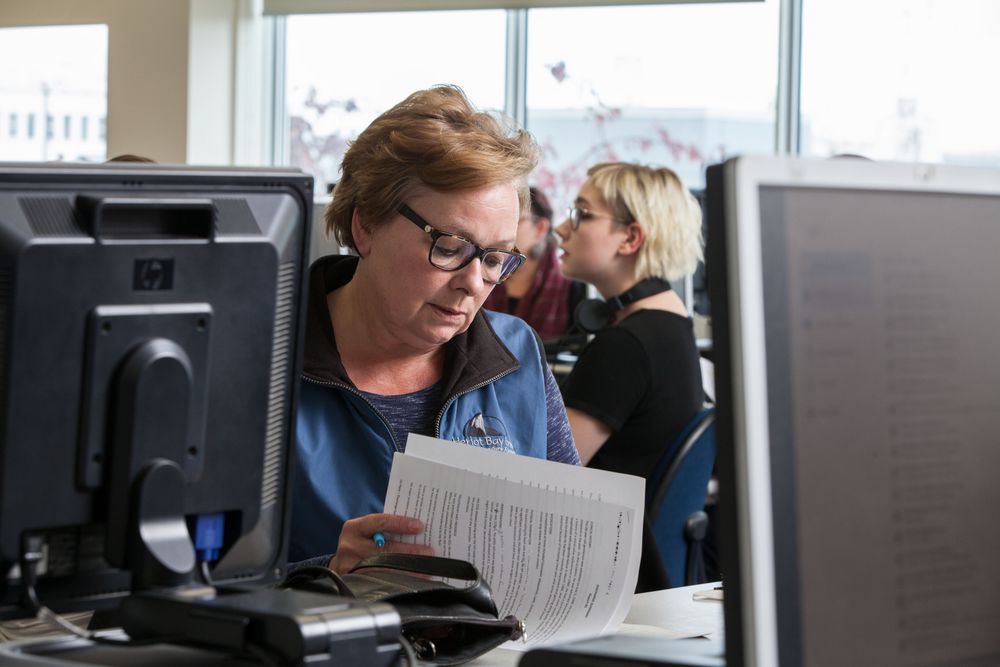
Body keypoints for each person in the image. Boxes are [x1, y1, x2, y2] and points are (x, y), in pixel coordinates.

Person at [290, 86, 580, 574]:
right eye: (449, 246)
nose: (473, 284)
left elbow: (568, 533)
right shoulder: (263, 361)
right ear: (366, 227)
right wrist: (323, 577)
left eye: (493, 259)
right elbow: (184, 587)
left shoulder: (515, 353)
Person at [555, 162, 704, 590]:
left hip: (606, 578)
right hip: (643, 570)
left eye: (582, 214)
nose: (563, 229)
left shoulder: (625, 346)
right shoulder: (672, 326)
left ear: (631, 237)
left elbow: (545, 480)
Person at [482, 186, 586, 340]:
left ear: (540, 228)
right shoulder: (477, 273)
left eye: (514, 220)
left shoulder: (572, 288)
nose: (500, 229)